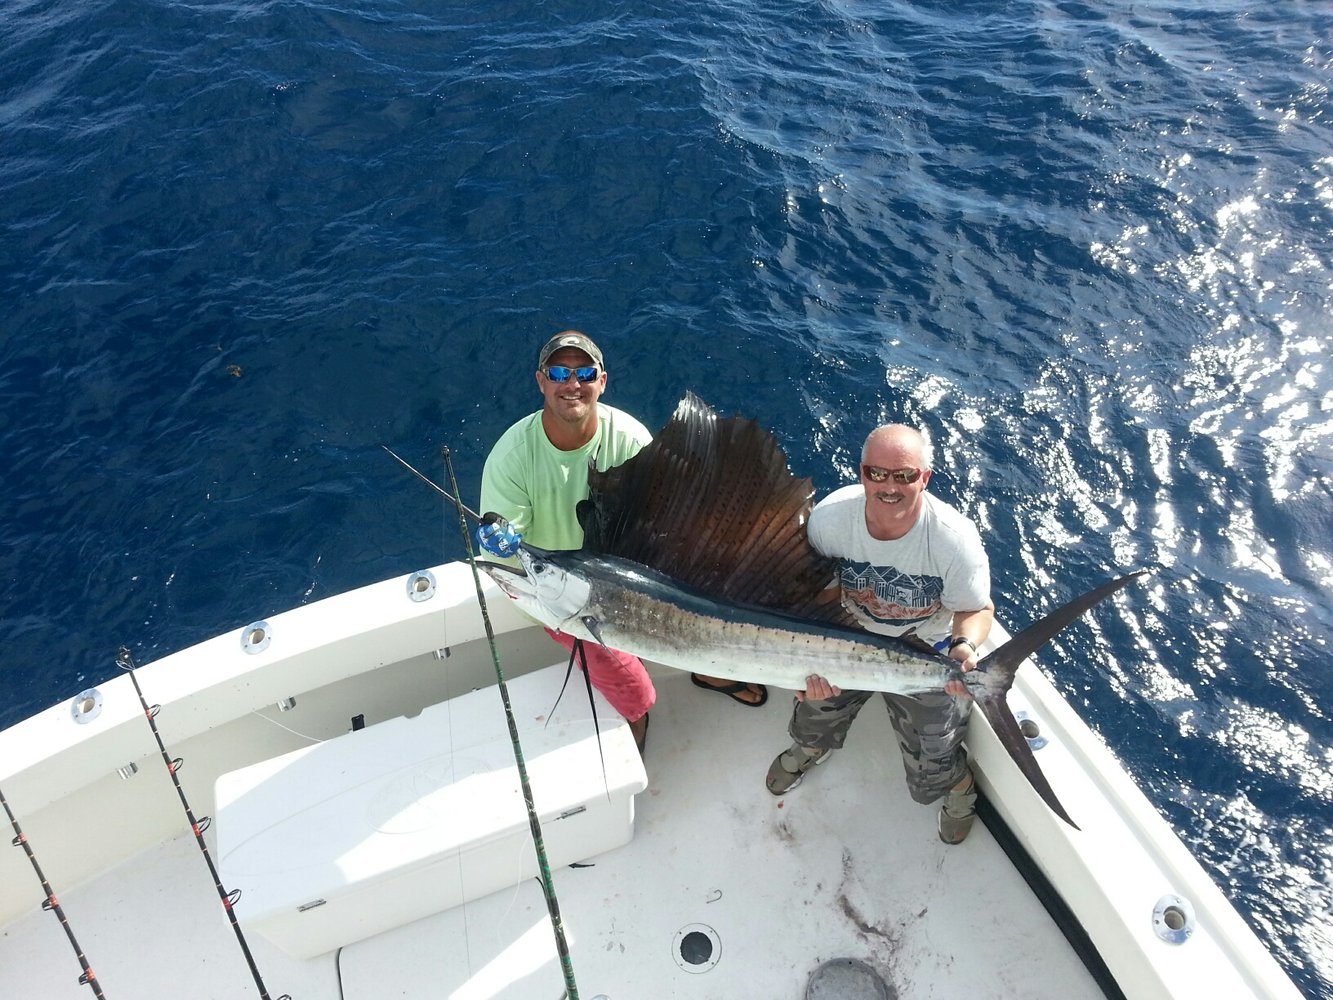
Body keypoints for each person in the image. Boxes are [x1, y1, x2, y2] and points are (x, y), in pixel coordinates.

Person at [478, 331, 767, 752]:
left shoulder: (629, 438)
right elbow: (507, 561)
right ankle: (636, 717)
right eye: (559, 373)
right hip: (562, 600)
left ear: (602, 381)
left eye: (584, 373)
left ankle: (707, 670)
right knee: (637, 690)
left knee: (693, 629)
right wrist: (501, 543)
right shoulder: (511, 457)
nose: (571, 383)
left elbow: (664, 519)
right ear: (541, 381)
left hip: (633, 576)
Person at [764, 424, 993, 844]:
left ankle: (956, 783)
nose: (890, 486)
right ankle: (812, 747)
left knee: (934, 758)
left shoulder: (953, 540)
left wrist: (964, 646)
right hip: (842, 643)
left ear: (925, 477)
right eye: (877, 473)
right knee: (812, 715)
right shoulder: (830, 520)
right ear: (862, 472)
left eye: (904, 475)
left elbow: (975, 608)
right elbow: (817, 595)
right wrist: (799, 672)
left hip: (925, 650)